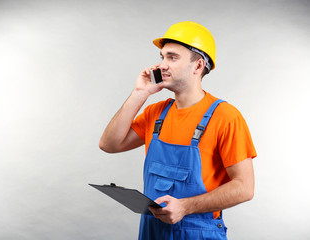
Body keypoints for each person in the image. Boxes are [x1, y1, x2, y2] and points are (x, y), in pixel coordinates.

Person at [99, 21, 256, 240]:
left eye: (172, 58)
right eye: (162, 57)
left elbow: (245, 187)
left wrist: (186, 207)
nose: (162, 65)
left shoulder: (226, 117)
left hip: (197, 231)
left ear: (198, 66)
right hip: (152, 230)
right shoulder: (156, 113)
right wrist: (139, 93)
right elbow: (109, 144)